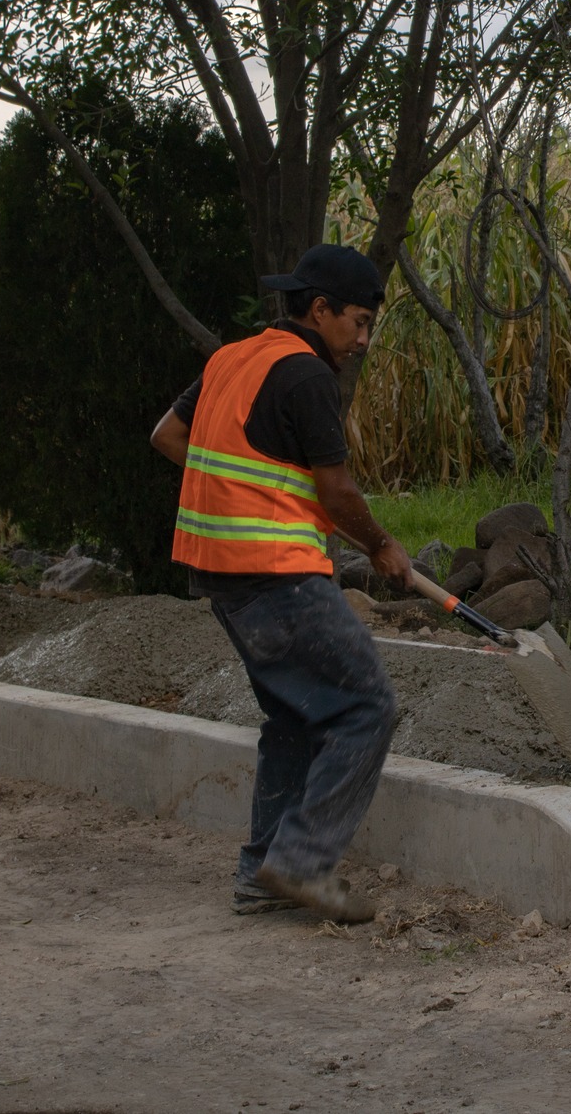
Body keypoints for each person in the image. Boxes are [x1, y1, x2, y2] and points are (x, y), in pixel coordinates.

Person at [149, 243, 413, 921]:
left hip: (218, 573)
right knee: (367, 707)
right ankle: (300, 861)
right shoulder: (306, 374)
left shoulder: (231, 358)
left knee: (295, 719)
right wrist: (381, 545)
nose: (361, 339)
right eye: (357, 321)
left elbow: (168, 435)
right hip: (277, 574)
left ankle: (258, 874)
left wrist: (236, 483)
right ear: (318, 309)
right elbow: (335, 487)